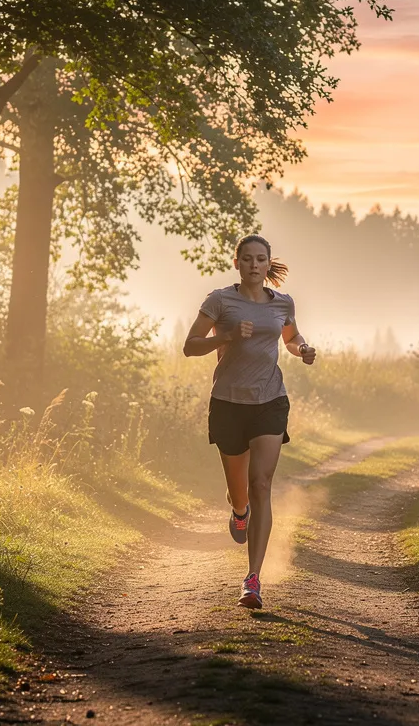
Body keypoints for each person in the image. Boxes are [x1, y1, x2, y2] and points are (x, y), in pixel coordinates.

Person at [182, 234, 317, 609]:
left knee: (261, 484)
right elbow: (190, 345)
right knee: (240, 492)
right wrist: (224, 336)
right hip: (228, 404)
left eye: (261, 259)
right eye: (248, 259)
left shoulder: (282, 303)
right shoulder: (220, 300)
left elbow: (290, 337)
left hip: (270, 401)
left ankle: (253, 579)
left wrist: (301, 349)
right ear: (237, 263)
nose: (255, 265)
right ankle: (238, 512)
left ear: (268, 263)